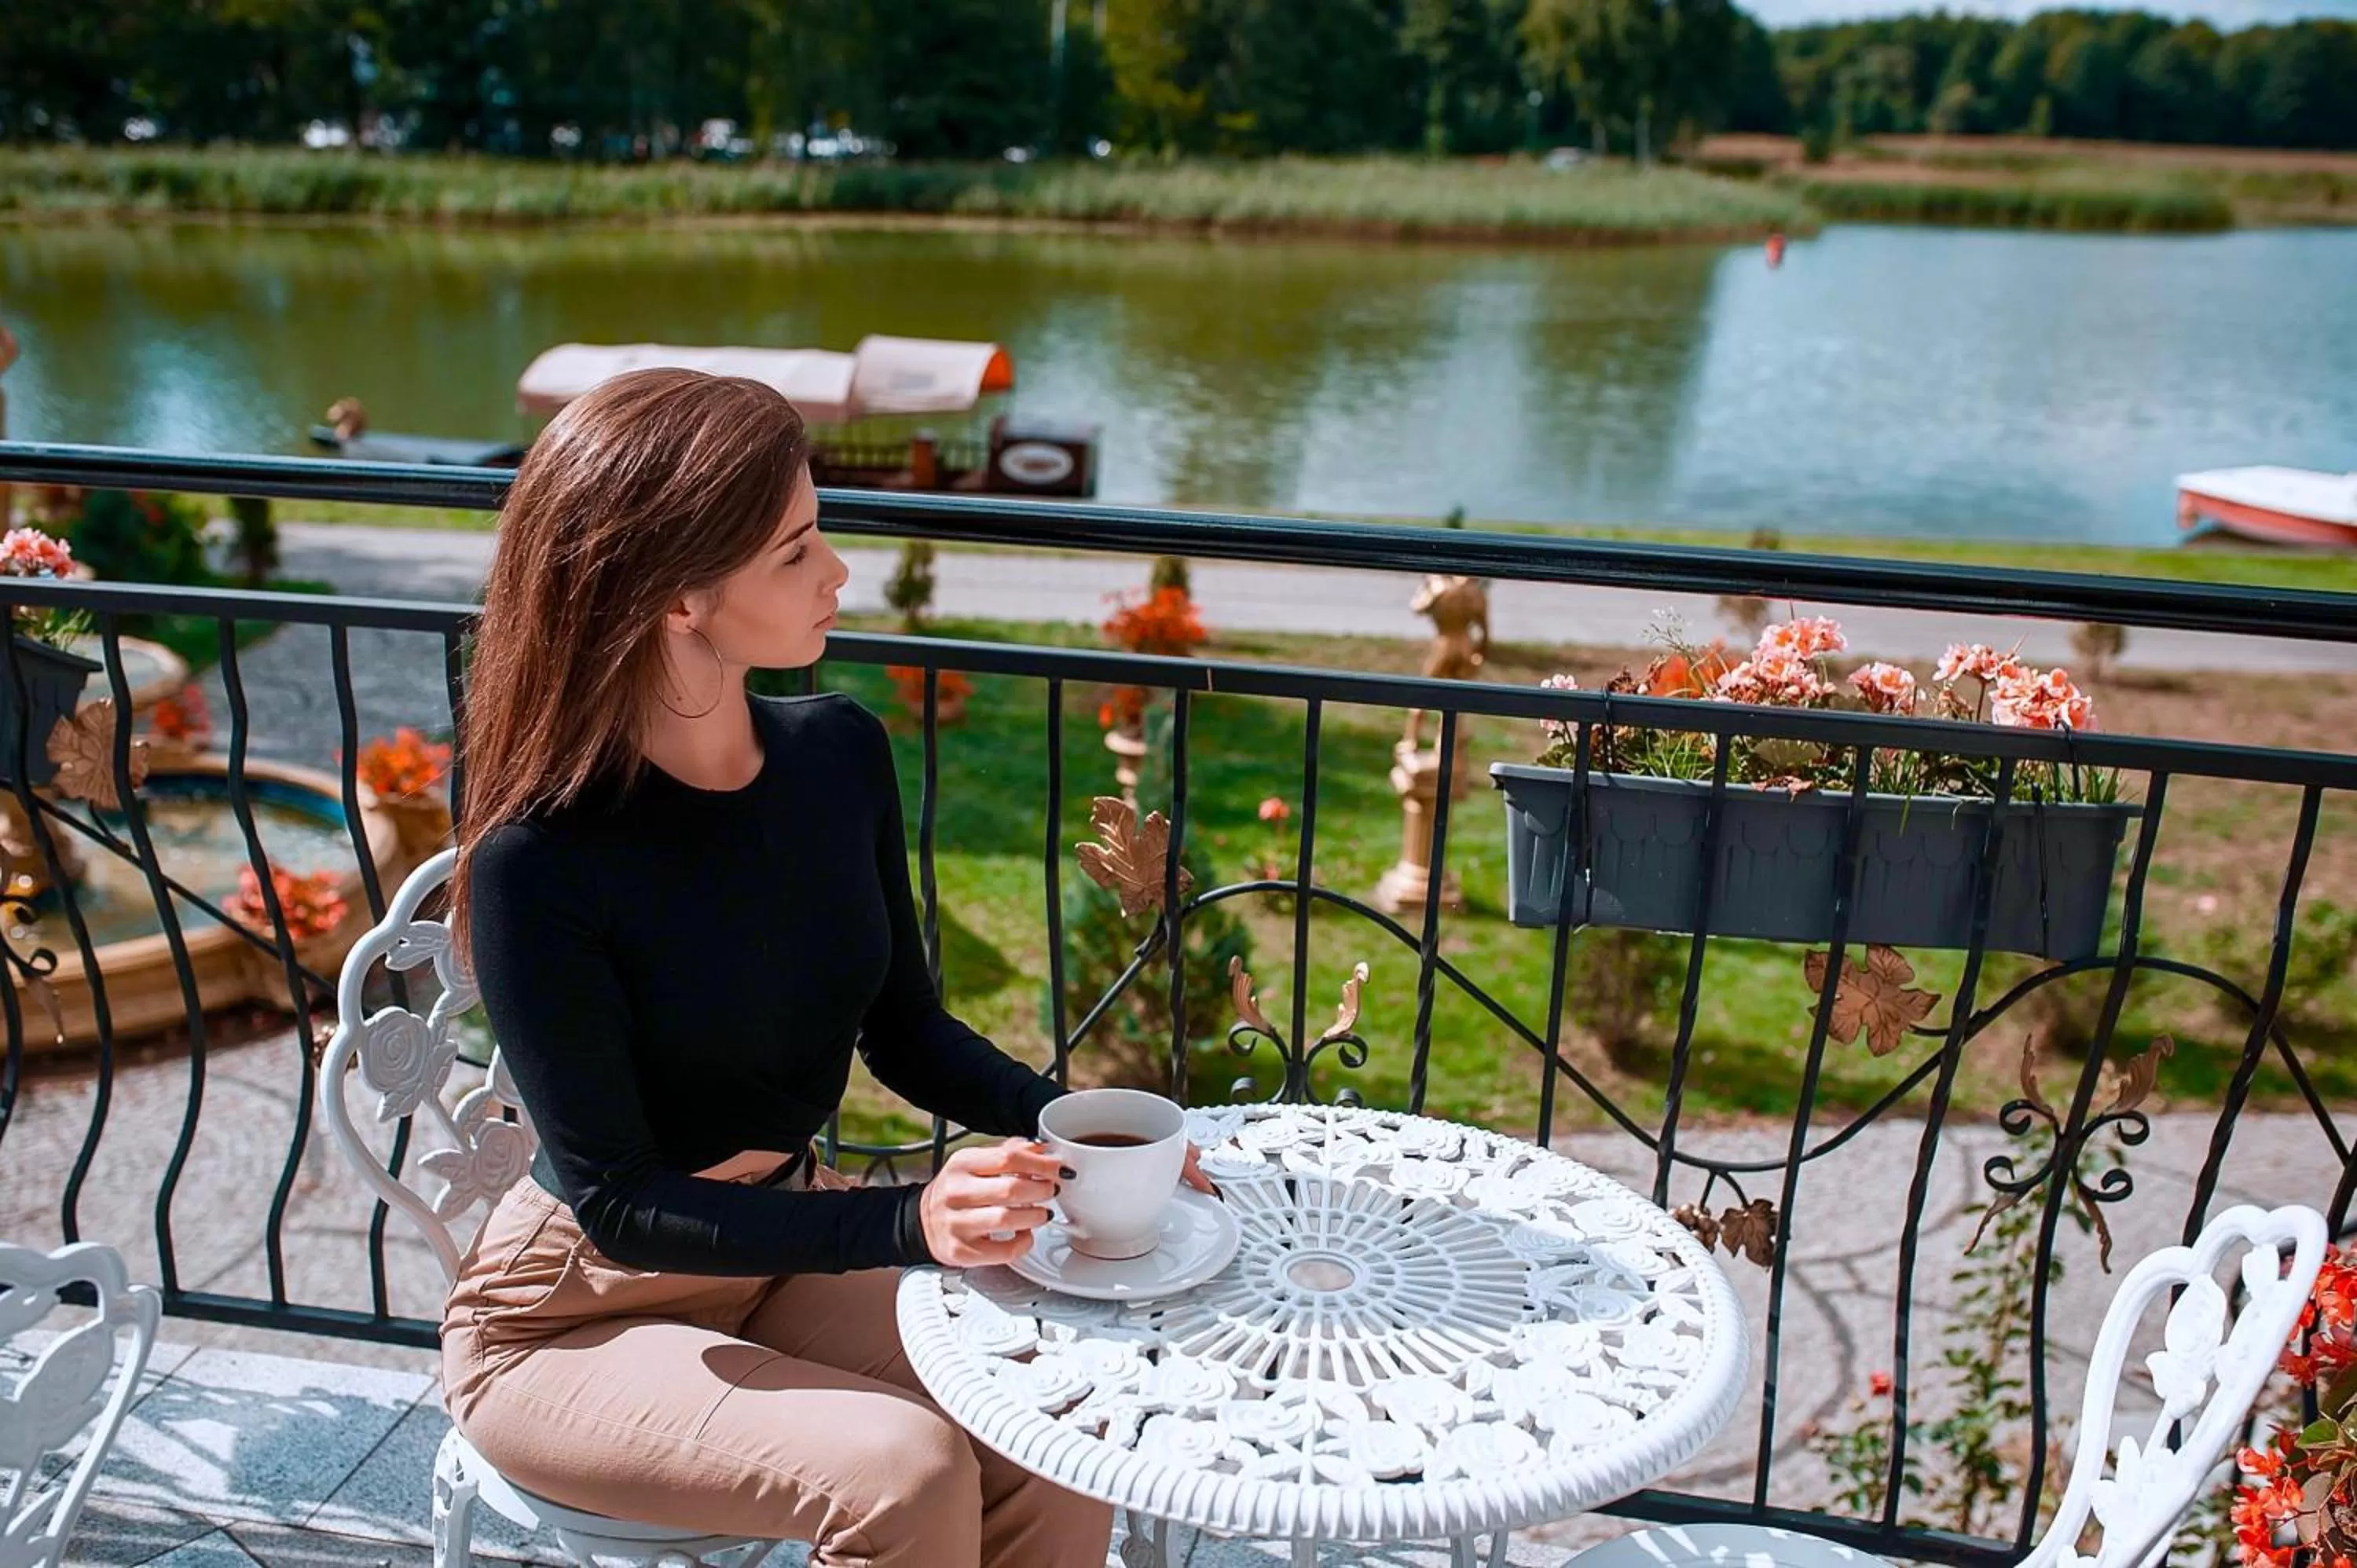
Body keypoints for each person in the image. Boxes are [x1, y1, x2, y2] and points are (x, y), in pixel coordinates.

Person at [444, 367, 1208, 1567]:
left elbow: (903, 1030)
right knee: (904, 1476)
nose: (837, 572)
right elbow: (622, 1201)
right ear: (679, 599)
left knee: (1059, 1419)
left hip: (777, 1246)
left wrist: (1078, 1126)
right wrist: (915, 1221)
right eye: (796, 550)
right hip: (574, 1318)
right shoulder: (539, 860)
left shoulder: (837, 754)